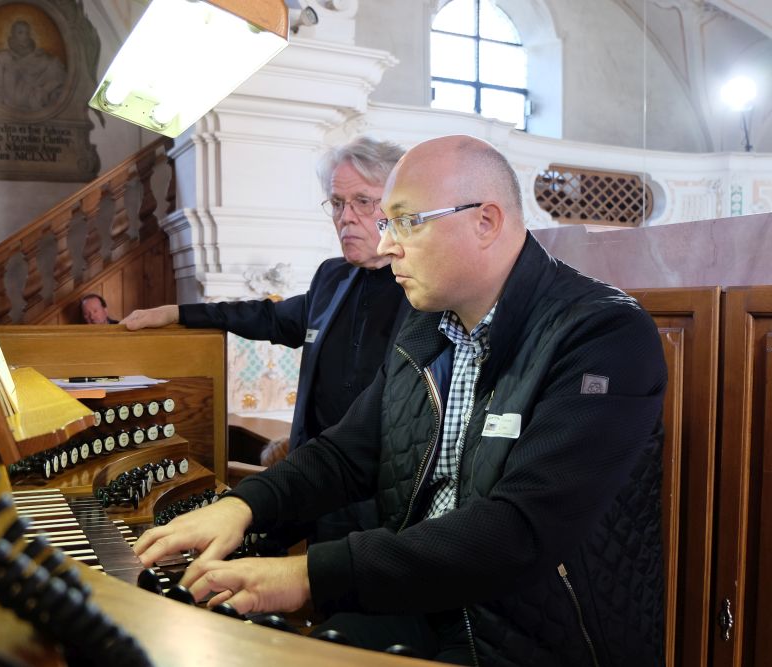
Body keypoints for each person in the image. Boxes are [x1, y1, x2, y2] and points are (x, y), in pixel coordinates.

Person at [134, 135, 667, 666]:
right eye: (387, 223)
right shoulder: (428, 324)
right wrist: (242, 506)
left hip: (533, 633)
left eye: (406, 221)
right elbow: (347, 453)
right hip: (423, 598)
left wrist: (307, 574)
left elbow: (518, 532)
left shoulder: (603, 334)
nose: (387, 244)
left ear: (485, 222)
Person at [122, 136, 411, 543]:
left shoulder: (424, 288)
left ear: (398, 206)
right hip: (317, 480)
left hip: (383, 495)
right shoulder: (332, 277)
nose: (346, 217)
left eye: (363, 201)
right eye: (337, 203)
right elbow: (269, 317)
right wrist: (179, 313)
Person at [0, 19, 66, 113]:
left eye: (27, 33)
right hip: (9, 104)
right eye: (20, 32)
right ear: (13, 35)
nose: (25, 36)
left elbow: (57, 75)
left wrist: (45, 89)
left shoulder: (41, 57)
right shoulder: (2, 57)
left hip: (34, 102)